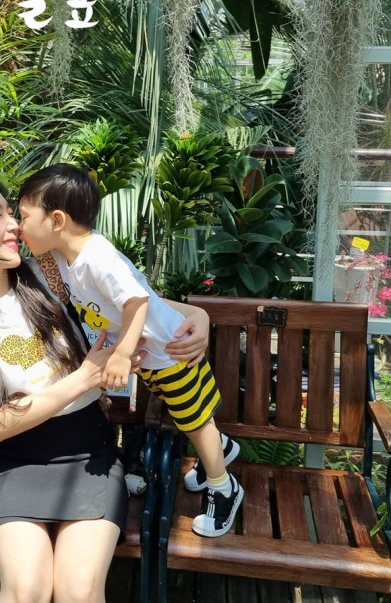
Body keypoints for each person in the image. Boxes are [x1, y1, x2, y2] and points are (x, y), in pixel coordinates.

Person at [0, 175, 212, 603]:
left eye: (12, 212)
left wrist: (198, 317)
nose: (15, 224)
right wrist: (86, 377)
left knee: (78, 590)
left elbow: (136, 298)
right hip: (11, 464)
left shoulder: (48, 273)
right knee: (27, 590)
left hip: (88, 456)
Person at [17, 163, 243, 538]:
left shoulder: (97, 259)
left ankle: (224, 487)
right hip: (154, 355)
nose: (19, 226)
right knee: (189, 415)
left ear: (57, 220)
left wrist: (121, 354)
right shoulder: (66, 256)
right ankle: (218, 449)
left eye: (24, 217)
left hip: (171, 351)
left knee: (194, 420)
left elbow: (137, 300)